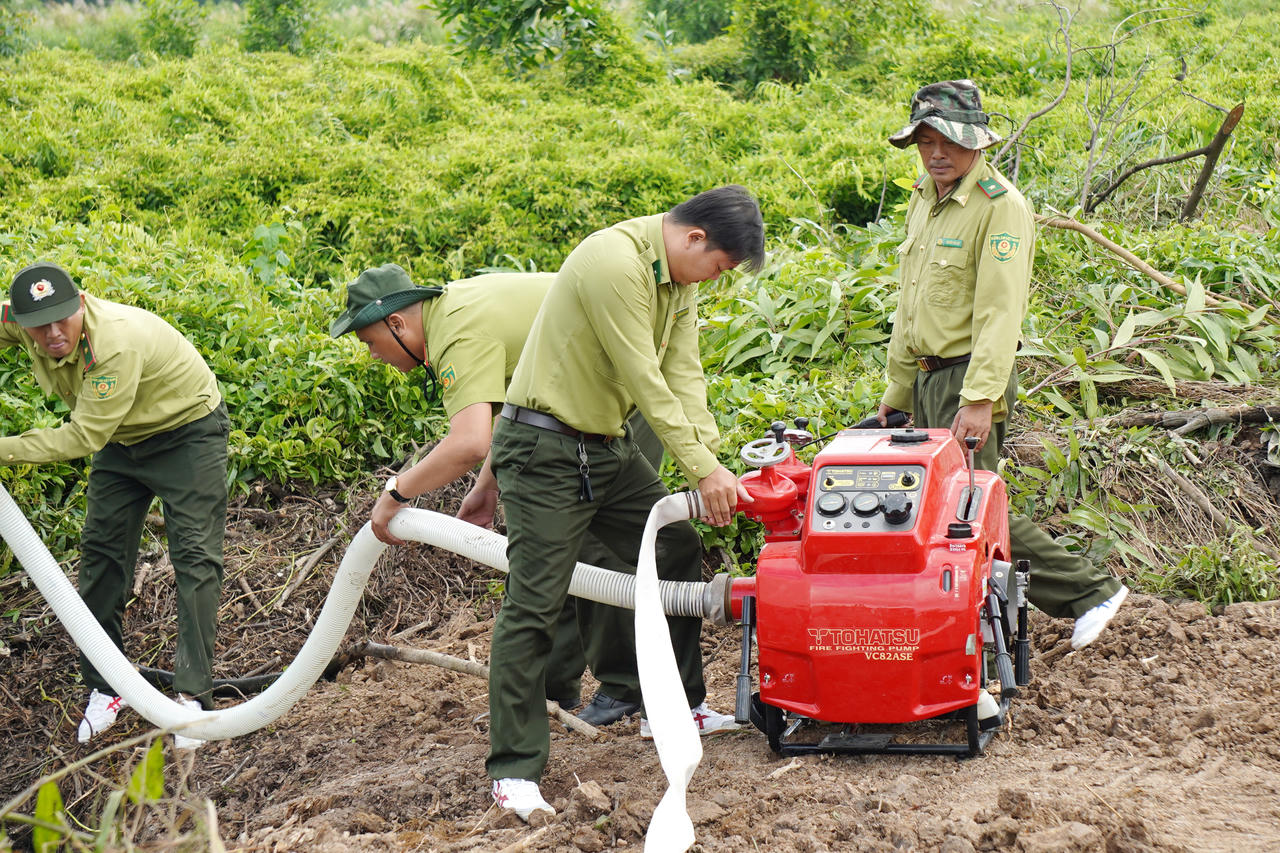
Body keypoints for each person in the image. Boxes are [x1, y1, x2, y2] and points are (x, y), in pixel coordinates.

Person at [486, 185, 765, 822]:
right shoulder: (614, 261)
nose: (714, 279)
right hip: (543, 447)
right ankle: (514, 771)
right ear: (694, 239)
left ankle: (677, 702)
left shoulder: (679, 280)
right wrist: (702, 469)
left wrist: (713, 463)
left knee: (675, 543)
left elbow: (684, 373)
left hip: (605, 449)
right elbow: (644, 374)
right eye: (718, 266)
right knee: (537, 598)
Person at [328, 265, 677, 725]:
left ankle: (625, 689)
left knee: (593, 541)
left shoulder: (457, 332)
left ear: (398, 323)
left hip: (622, 389)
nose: (372, 355)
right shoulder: (452, 313)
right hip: (578, 395)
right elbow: (518, 405)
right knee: (549, 539)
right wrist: (486, 486)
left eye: (369, 341)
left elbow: (468, 443)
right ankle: (553, 686)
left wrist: (396, 492)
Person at [875, 79, 1128, 650]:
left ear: (976, 143)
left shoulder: (1000, 207)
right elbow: (910, 302)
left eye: (948, 141)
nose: (936, 152)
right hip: (925, 376)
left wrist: (980, 398)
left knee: (968, 504)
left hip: (968, 377)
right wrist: (897, 389)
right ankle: (957, 621)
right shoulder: (924, 197)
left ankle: (1090, 592)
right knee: (939, 505)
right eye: (924, 139)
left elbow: (999, 313)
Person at [0, 262, 230, 749]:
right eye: (39, 325)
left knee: (194, 557)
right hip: (122, 444)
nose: (53, 332)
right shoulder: (23, 324)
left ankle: (193, 699)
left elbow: (84, 435)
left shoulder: (115, 345)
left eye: (63, 318)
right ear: (20, 322)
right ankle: (106, 686)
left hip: (186, 434)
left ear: (81, 304)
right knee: (102, 558)